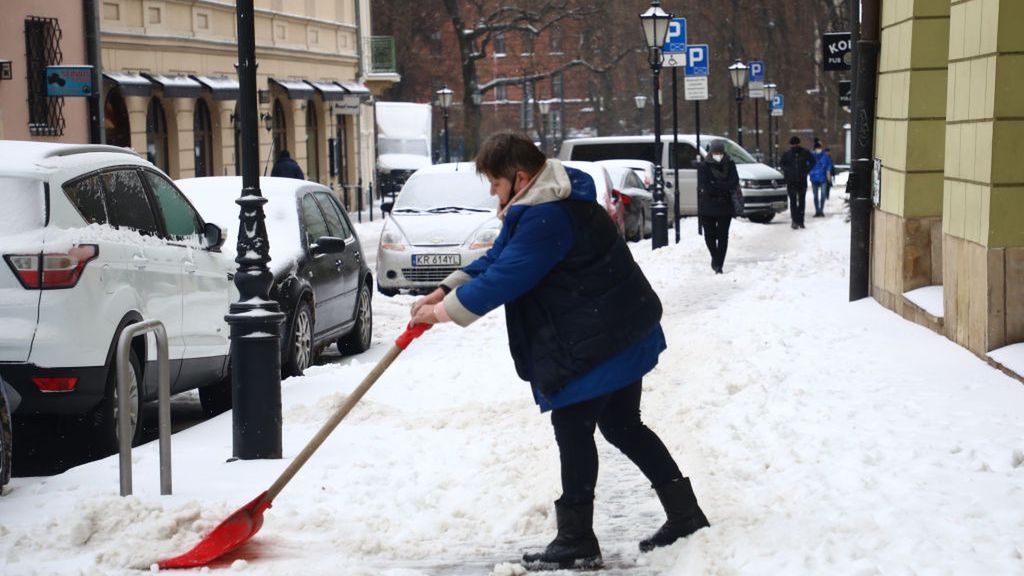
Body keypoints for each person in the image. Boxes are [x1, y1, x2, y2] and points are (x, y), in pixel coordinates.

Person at [409, 132, 709, 569]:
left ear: (520, 176)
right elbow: (498, 258)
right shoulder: (540, 205)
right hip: (618, 328)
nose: (492, 192)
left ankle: (577, 540)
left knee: (575, 425)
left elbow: (506, 278)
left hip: (601, 338)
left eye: (495, 183)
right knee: (623, 426)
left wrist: (440, 316)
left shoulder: (549, 215)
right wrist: (441, 291)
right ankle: (684, 514)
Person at [697, 140, 738, 274]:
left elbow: (734, 182)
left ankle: (719, 264)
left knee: (722, 236)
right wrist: (722, 186)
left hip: (725, 206)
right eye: (715, 153)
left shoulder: (730, 165)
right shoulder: (704, 166)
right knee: (709, 235)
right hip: (708, 206)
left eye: (720, 153)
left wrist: (716, 184)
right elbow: (705, 185)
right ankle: (715, 257)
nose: (718, 155)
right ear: (711, 152)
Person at [779, 136, 815, 229]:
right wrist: (788, 171)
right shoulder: (790, 154)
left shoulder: (801, 153)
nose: (795, 146)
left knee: (798, 201)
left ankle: (798, 221)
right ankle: (796, 221)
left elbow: (812, 162)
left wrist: (805, 170)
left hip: (799, 180)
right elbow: (782, 164)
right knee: (795, 201)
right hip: (793, 180)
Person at [809, 141, 834, 217]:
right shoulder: (811, 156)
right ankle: (817, 211)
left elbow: (829, 164)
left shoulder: (825, 156)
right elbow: (808, 164)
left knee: (823, 195)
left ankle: (821, 210)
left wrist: (828, 172)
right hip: (814, 178)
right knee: (815, 196)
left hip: (822, 178)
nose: (818, 149)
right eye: (817, 148)